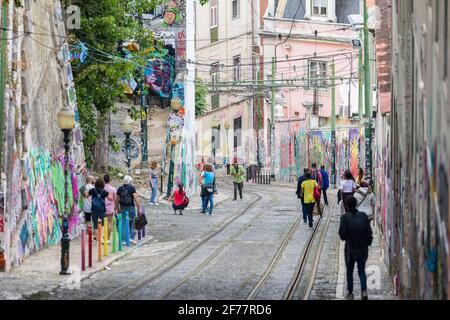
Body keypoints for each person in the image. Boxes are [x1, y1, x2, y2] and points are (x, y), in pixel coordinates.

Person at [339, 196, 373, 300]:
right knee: (361, 270)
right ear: (356, 204)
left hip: (350, 249)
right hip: (362, 248)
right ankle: (363, 290)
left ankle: (350, 291)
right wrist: (368, 242)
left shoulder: (345, 218)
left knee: (349, 270)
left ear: (347, 205)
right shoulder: (363, 216)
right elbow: (369, 232)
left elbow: (343, 236)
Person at [116, 176, 142, 245]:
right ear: (130, 182)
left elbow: (116, 200)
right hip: (131, 207)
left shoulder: (120, 189)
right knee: (133, 221)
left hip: (122, 207)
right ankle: (131, 237)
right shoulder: (132, 188)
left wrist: (117, 208)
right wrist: (139, 207)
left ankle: (124, 239)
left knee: (124, 222)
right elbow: (136, 198)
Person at [103, 174, 117, 241]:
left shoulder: (101, 188)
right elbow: (115, 199)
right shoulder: (113, 189)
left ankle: (104, 235)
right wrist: (116, 207)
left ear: (103, 180)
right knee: (109, 222)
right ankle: (107, 238)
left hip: (102, 207)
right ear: (110, 180)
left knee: (104, 223)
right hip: (111, 207)